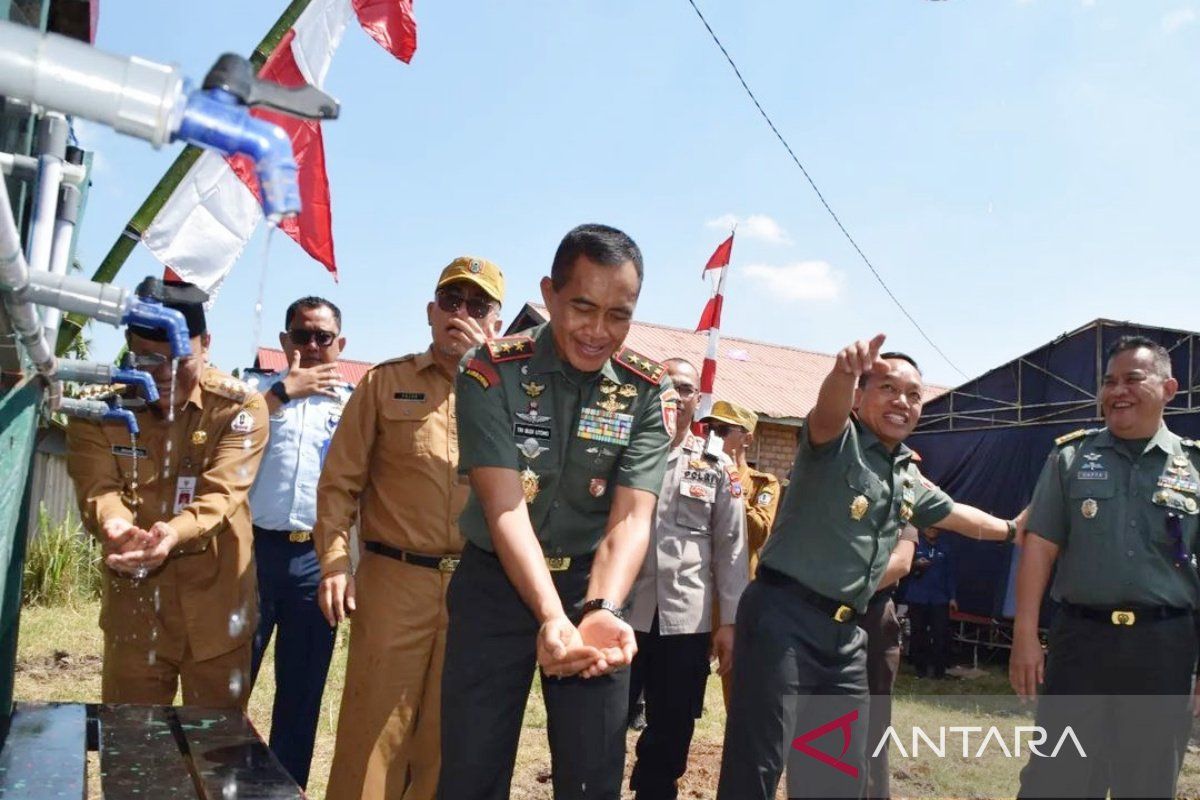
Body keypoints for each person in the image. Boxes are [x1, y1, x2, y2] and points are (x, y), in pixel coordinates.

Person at [716, 334, 1023, 800]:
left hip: (846, 636)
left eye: (914, 395)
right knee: (757, 763)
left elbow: (957, 514)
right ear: (860, 397)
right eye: (888, 388)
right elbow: (826, 410)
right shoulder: (835, 441)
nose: (902, 402)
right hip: (783, 619)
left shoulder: (906, 473)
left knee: (833, 771)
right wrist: (843, 372)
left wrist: (1011, 529)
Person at [438, 223, 674, 800]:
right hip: (496, 585)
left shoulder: (645, 391)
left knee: (594, 777)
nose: (599, 332)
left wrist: (600, 608)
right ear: (549, 295)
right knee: (472, 769)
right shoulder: (489, 370)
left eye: (619, 315)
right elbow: (505, 508)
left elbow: (630, 519)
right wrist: (548, 616)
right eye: (583, 308)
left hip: (591, 590)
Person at [315, 257, 504, 800]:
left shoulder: (510, 396)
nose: (460, 313)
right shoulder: (383, 383)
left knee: (450, 740)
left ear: (496, 323)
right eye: (450, 302)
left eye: (477, 305)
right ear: (430, 312)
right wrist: (333, 563)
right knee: (374, 733)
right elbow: (338, 486)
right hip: (394, 580)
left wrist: (480, 373)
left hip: (476, 588)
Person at [1011, 335, 1200, 799]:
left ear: (1169, 387)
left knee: (1147, 781)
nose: (1118, 391)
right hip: (1081, 644)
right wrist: (1025, 636)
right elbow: (1040, 547)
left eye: (1133, 379)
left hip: (1164, 649)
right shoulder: (1071, 457)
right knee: (1056, 779)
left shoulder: (1194, 466)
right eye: (1109, 381)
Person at [66, 281, 268, 708]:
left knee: (215, 754)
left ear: (206, 344)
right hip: (135, 611)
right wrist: (116, 525)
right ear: (129, 348)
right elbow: (98, 487)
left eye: (180, 359)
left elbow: (221, 494)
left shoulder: (238, 408)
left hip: (217, 608)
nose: (164, 374)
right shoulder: (98, 410)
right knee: (133, 750)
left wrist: (171, 534)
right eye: (149, 360)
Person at [626, 358, 748, 800]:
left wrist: (730, 623)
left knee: (672, 725)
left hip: (685, 621)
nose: (677, 395)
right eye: (668, 385)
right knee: (600, 718)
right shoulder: (627, 450)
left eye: (686, 388)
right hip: (623, 612)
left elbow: (732, 550)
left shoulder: (716, 465)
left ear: (699, 400)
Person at [246, 296, 353, 788]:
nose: (312, 346)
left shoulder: (354, 405)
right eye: (302, 335)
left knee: (301, 693)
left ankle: (282, 791)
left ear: (340, 345)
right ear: (285, 340)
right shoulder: (252, 392)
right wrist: (281, 395)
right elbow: (223, 440)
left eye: (323, 337)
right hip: (250, 557)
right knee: (227, 685)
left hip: (316, 560)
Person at [861, 524, 917, 800]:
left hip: (874, 616)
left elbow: (902, 562)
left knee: (875, 723)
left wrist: (844, 585)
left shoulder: (901, 495)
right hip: (821, 615)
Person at [701, 400, 781, 574]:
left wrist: (734, 484)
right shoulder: (697, 475)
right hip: (696, 578)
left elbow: (758, 536)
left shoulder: (762, 484)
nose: (712, 436)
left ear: (747, 438)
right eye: (709, 429)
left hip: (735, 578)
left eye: (721, 430)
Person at [904, 526, 957, 680]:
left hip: (939, 598)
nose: (932, 530)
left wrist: (952, 597)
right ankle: (920, 670)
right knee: (918, 633)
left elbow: (950, 574)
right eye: (929, 527)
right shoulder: (915, 545)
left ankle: (939, 671)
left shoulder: (945, 547)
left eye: (936, 528)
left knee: (940, 634)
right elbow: (903, 568)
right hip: (918, 596)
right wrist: (915, 565)